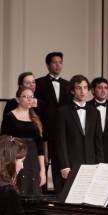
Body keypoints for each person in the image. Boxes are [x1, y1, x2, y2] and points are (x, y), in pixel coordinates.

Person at [54, 75, 103, 192]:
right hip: (71, 163)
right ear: (72, 90)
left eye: (85, 88)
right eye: (78, 88)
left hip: (91, 163)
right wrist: (65, 165)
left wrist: (100, 164)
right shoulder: (63, 111)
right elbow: (61, 140)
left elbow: (98, 141)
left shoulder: (95, 112)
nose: (82, 91)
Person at [1, 86, 46, 195]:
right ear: (17, 99)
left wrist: (43, 170)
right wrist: (11, 168)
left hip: (33, 160)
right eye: (25, 97)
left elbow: (40, 147)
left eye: (31, 97)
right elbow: (5, 143)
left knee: (33, 192)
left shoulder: (35, 118)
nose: (29, 99)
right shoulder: (10, 117)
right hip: (16, 158)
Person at [35, 52, 71, 184]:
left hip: (63, 132)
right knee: (42, 164)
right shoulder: (38, 83)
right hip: (45, 129)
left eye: (60, 62)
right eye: (54, 62)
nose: (58, 65)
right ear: (48, 65)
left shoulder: (68, 85)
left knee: (61, 164)